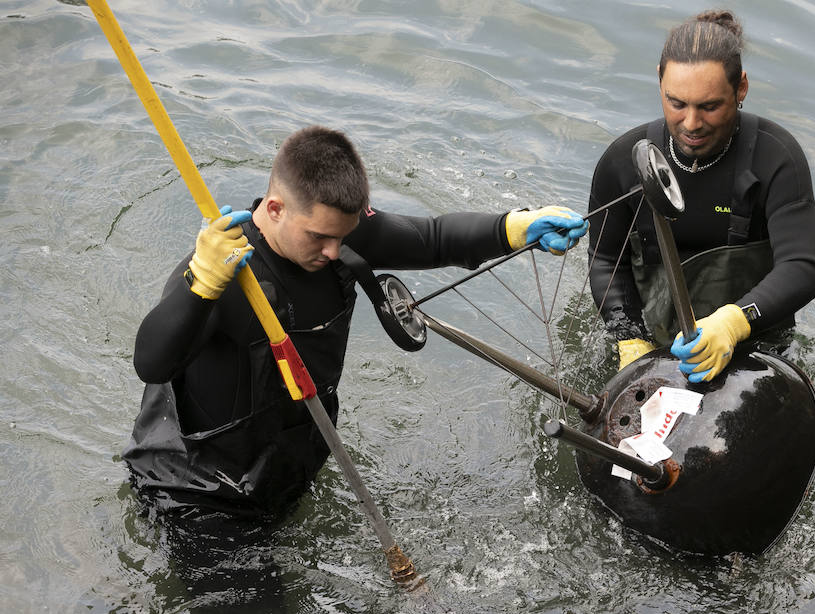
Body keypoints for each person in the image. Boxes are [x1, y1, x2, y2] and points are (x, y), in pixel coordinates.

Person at [124, 124, 587, 525]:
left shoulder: (335, 230)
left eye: (341, 237)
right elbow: (151, 362)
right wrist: (198, 286)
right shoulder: (223, 271)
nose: (332, 252)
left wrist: (514, 227)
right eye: (320, 236)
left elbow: (432, 240)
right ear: (276, 206)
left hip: (282, 466)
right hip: (197, 492)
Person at [586, 9, 815, 383]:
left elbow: (802, 268)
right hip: (652, 345)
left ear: (741, 88)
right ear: (659, 83)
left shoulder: (776, 159)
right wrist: (631, 340)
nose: (692, 124)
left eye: (709, 106)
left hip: (752, 348)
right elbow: (604, 261)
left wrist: (734, 323)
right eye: (676, 103)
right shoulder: (623, 162)